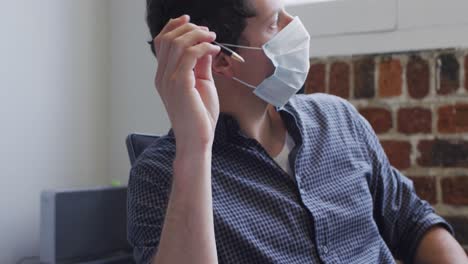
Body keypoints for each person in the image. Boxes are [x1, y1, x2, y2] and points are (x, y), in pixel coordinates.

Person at [127, 0, 468, 263]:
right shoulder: (160, 175)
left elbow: (413, 222)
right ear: (221, 60)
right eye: (275, 23)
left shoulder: (336, 118)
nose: (295, 26)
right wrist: (195, 147)